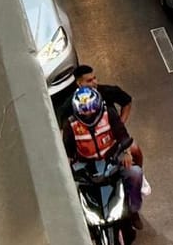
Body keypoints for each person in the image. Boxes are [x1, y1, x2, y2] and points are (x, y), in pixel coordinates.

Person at [61, 83, 144, 219]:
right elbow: (68, 152)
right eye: (84, 110)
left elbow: (123, 136)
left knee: (135, 174)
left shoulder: (109, 114)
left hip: (112, 159)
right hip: (86, 165)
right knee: (70, 194)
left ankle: (133, 210)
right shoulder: (70, 125)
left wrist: (125, 152)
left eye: (91, 109)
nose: (89, 113)